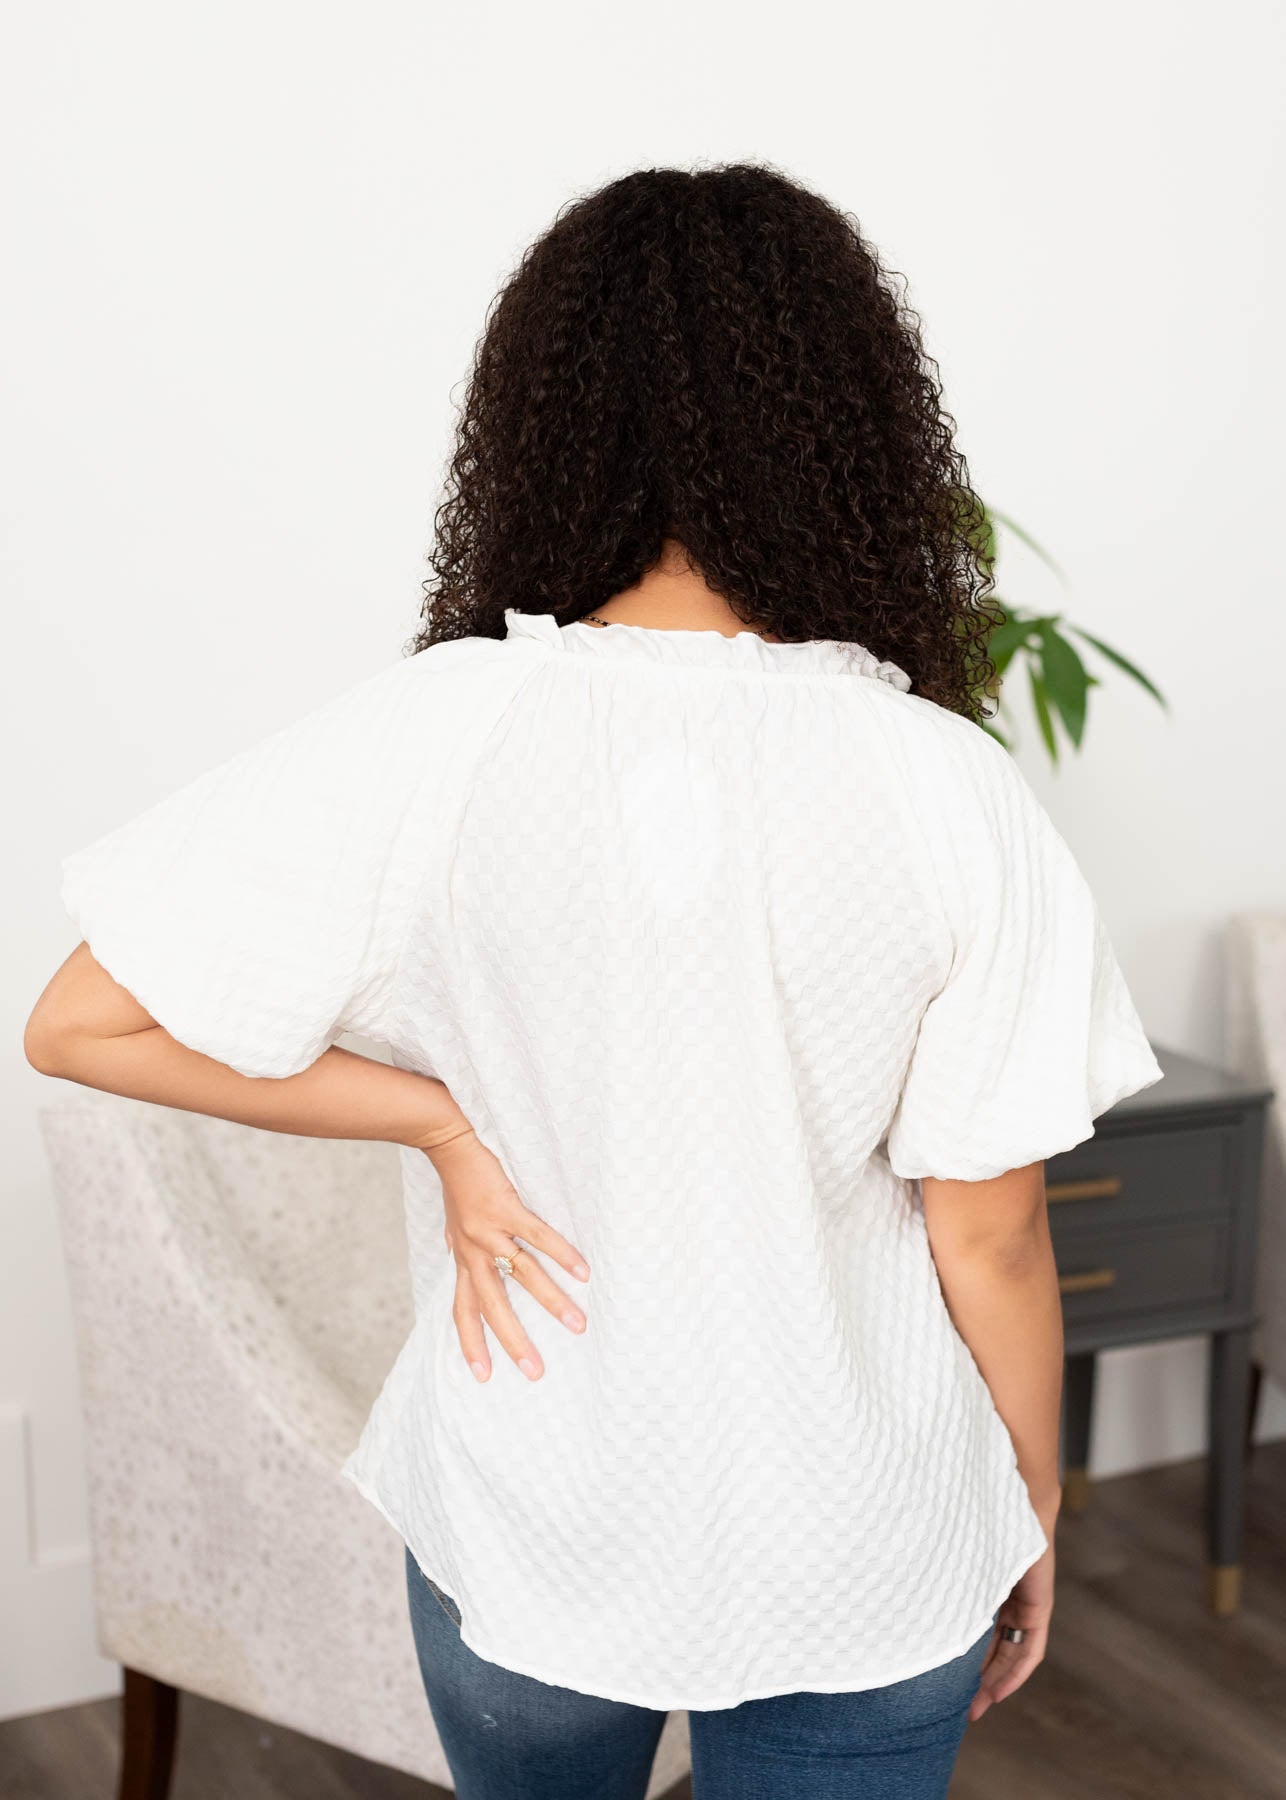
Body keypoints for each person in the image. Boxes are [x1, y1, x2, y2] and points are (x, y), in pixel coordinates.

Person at [25, 162, 1163, 1800]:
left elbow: (79, 1022)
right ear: (851, 427)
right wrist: (1030, 1497)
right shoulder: (943, 781)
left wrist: (437, 1123)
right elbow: (986, 1229)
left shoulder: (438, 732)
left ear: (543, 423)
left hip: (535, 1517)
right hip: (862, 1529)